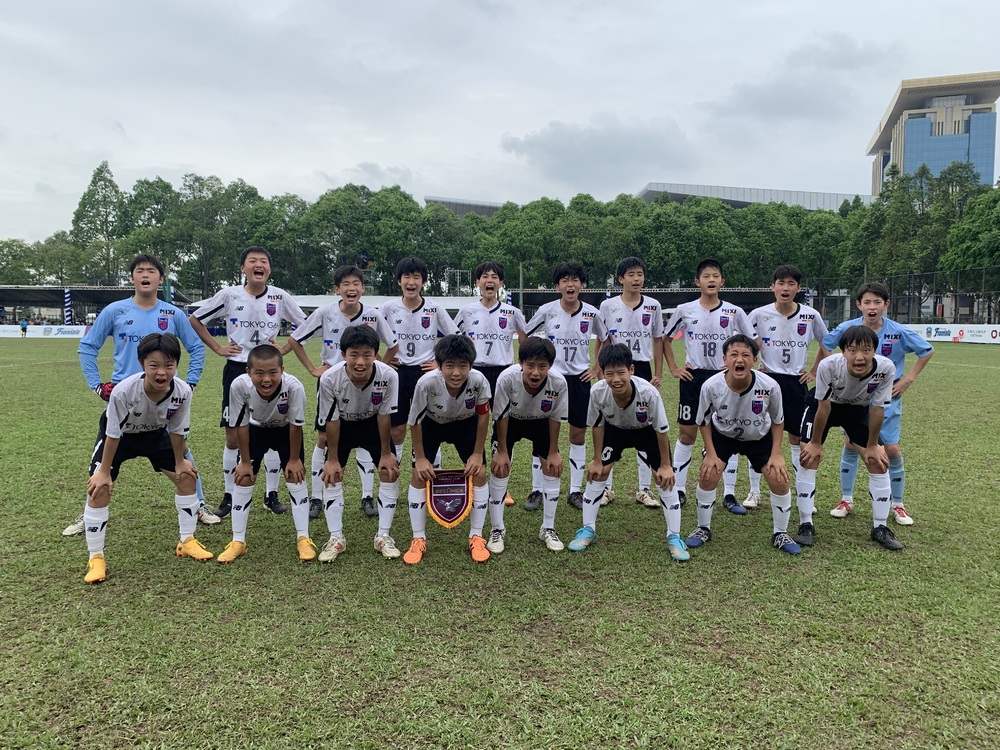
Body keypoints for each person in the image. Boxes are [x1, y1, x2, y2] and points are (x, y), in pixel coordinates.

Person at [63, 253, 214, 537]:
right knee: (104, 460)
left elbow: (196, 348)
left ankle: (199, 504)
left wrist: (190, 383)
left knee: (181, 451)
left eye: (152, 270)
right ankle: (89, 512)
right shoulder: (115, 311)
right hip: (124, 402)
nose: (146, 274)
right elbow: (87, 347)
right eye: (140, 270)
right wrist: (97, 385)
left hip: (162, 400)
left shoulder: (173, 314)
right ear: (132, 278)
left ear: (161, 279)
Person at [81, 333, 211, 583]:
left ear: (176, 365)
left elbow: (177, 430)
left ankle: (187, 541)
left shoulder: (183, 391)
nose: (162, 372)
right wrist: (104, 472)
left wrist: (180, 461)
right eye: (154, 365)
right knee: (100, 488)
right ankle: (96, 557)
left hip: (155, 433)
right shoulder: (123, 391)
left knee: (186, 477)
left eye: (169, 365)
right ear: (142, 364)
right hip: (120, 437)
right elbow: (113, 434)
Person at [189, 246, 306, 518]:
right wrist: (218, 348)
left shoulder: (279, 296)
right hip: (237, 368)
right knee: (233, 435)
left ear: (269, 269)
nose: (258, 264)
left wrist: (283, 350)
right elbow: (195, 319)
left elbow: (305, 325)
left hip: (270, 370)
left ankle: (271, 495)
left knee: (274, 426)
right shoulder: (229, 295)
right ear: (243, 268)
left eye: (263, 261)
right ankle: (230, 495)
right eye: (252, 261)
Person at [288, 265, 399, 521]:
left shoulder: (373, 314)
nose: (351, 288)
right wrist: (313, 369)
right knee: (324, 438)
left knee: (367, 434)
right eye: (345, 284)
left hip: (367, 382)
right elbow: (295, 339)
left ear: (363, 288)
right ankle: (317, 497)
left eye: (356, 283)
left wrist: (379, 367)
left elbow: (393, 345)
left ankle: (367, 496)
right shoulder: (325, 312)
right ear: (337, 289)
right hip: (332, 383)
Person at [822, 282, 933, 526]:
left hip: (888, 398)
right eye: (867, 302)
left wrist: (907, 380)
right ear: (858, 305)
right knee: (851, 444)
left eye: (877, 302)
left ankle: (898, 504)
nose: (872, 307)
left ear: (886, 305)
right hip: (854, 400)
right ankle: (846, 499)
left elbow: (926, 350)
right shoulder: (848, 328)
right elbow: (825, 343)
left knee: (891, 449)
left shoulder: (898, 331)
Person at [566, 344, 688, 561]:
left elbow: (661, 431)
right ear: (602, 373)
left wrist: (666, 465)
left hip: (646, 432)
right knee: (598, 472)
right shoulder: (597, 392)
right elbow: (597, 426)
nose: (616, 379)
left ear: (631, 370)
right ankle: (588, 530)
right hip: (615, 431)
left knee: (664, 478)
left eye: (621, 372)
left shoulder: (649, 393)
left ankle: (674, 537)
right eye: (609, 374)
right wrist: (596, 459)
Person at [684, 334, 800, 555]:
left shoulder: (769, 385)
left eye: (746, 355)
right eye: (734, 355)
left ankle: (780, 533)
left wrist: (776, 454)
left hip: (759, 436)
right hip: (723, 435)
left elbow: (778, 420)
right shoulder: (711, 386)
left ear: (754, 360)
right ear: (725, 360)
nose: (740, 359)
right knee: (709, 475)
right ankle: (702, 528)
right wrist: (710, 453)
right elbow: (704, 421)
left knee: (779, 478)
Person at [746, 265, 830, 546]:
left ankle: (805, 497)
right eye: (781, 283)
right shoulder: (759, 314)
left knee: (797, 439)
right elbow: (745, 343)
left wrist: (814, 370)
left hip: (796, 383)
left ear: (798, 288)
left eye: (791, 283)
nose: (785, 288)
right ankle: (754, 491)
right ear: (773, 287)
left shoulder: (810, 315)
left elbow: (826, 344)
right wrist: (754, 364)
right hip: (767, 381)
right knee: (758, 435)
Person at [798, 325, 901, 550]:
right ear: (843, 352)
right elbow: (824, 407)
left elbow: (877, 409)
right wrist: (815, 443)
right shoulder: (829, 365)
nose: (859, 357)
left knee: (877, 460)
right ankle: (805, 523)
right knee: (808, 457)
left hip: (857, 410)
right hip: (823, 407)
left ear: (875, 350)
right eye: (852, 350)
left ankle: (880, 527)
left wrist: (872, 445)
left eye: (866, 350)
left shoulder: (885, 368)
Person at [664, 258, 754, 512]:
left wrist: (743, 366)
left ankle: (729, 493)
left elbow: (753, 340)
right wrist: (674, 368)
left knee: (729, 433)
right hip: (693, 378)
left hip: (725, 379)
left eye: (715, 276)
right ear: (697, 282)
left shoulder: (735, 312)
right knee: (687, 434)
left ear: (722, 281)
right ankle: (679, 489)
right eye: (706, 276)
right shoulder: (685, 310)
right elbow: (665, 339)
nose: (711, 280)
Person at [216, 345, 314, 564]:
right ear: (248, 372)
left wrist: (295, 459)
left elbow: (295, 426)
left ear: (282, 371)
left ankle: (303, 538)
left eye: (273, 372)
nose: (266, 379)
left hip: (284, 431)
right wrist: (244, 461)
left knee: (295, 476)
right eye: (259, 373)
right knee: (244, 478)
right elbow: (240, 425)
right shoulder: (239, 385)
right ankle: (238, 542)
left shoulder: (294, 387)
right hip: (255, 430)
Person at [524, 262, 609, 511]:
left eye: (575, 280)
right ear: (557, 286)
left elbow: (605, 339)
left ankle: (574, 491)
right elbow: (525, 335)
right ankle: (537, 489)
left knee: (577, 435)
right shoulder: (547, 311)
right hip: (550, 380)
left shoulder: (592, 313)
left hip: (579, 380)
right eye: (564, 280)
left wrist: (596, 368)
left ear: (582, 285)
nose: (570, 285)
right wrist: (535, 365)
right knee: (543, 434)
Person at [401, 335, 491, 565]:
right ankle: (418, 538)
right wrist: (421, 458)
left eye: (463, 366)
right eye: (449, 365)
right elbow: (415, 422)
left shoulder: (479, 381)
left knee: (480, 472)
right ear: (439, 365)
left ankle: (476, 536)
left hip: (465, 424)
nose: (456, 373)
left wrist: (477, 453)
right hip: (431, 425)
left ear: (471, 365)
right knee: (418, 474)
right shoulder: (426, 383)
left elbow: (483, 416)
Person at [316, 325, 402, 562]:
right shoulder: (329, 378)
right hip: (342, 426)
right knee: (332, 474)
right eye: (354, 355)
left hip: (373, 424)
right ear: (343, 354)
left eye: (367, 354)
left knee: (389, 471)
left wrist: (386, 453)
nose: (360, 362)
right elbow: (332, 421)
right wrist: (332, 459)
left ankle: (383, 536)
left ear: (375, 354)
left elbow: (384, 415)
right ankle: (336, 538)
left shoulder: (389, 376)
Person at [454, 261, 527, 508]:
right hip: (474, 374)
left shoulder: (512, 312)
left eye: (494, 277)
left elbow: (525, 342)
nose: (490, 280)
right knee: (474, 427)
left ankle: (501, 488)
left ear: (501, 283)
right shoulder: (467, 311)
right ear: (477, 282)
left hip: (503, 374)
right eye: (485, 276)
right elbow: (455, 341)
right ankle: (478, 482)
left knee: (501, 430)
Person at [488, 337, 568, 554]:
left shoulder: (559, 382)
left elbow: (555, 418)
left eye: (542, 366)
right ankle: (497, 529)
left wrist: (553, 451)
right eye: (530, 365)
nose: (535, 372)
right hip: (511, 421)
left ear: (550, 366)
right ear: (520, 362)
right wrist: (502, 451)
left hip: (541, 421)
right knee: (500, 468)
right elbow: (500, 416)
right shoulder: (506, 378)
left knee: (552, 468)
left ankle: (548, 527)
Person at [378, 257, 459, 468]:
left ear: (423, 282)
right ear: (399, 281)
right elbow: (366, 338)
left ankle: (431, 478)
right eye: (407, 276)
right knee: (396, 430)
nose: (411, 282)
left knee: (428, 427)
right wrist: (381, 361)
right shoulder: (388, 308)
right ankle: (393, 476)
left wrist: (440, 365)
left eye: (416, 277)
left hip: (426, 373)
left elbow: (456, 338)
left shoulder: (434, 309)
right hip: (397, 373)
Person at [598, 256, 665, 509]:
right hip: (615, 368)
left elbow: (657, 339)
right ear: (621, 279)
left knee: (644, 424)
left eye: (640, 274)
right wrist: (600, 369)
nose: (636, 279)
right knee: (609, 423)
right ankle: (606, 488)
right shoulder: (608, 306)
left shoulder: (653, 305)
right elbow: (603, 340)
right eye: (631, 274)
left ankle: (644, 489)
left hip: (642, 367)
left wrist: (658, 372)